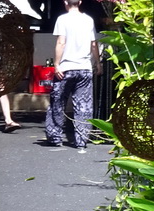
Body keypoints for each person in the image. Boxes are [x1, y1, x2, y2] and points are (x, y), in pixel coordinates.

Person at [45, 0, 101, 151]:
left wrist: (56, 64)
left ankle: (55, 136)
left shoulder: (63, 19)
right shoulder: (88, 20)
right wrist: (98, 63)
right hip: (84, 68)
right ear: (81, 2)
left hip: (66, 67)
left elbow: (61, 42)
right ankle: (81, 139)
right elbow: (94, 44)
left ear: (65, 2)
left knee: (58, 102)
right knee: (83, 105)